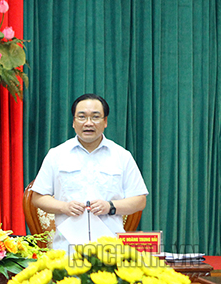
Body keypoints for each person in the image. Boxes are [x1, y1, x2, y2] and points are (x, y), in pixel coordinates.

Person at [31, 93, 148, 251]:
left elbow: (139, 200)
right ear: (73, 121)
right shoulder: (56, 155)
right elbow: (38, 198)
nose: (88, 123)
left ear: (105, 121)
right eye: (81, 117)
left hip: (110, 249)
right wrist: (64, 207)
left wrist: (110, 206)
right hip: (67, 250)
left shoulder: (122, 156)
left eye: (95, 117)